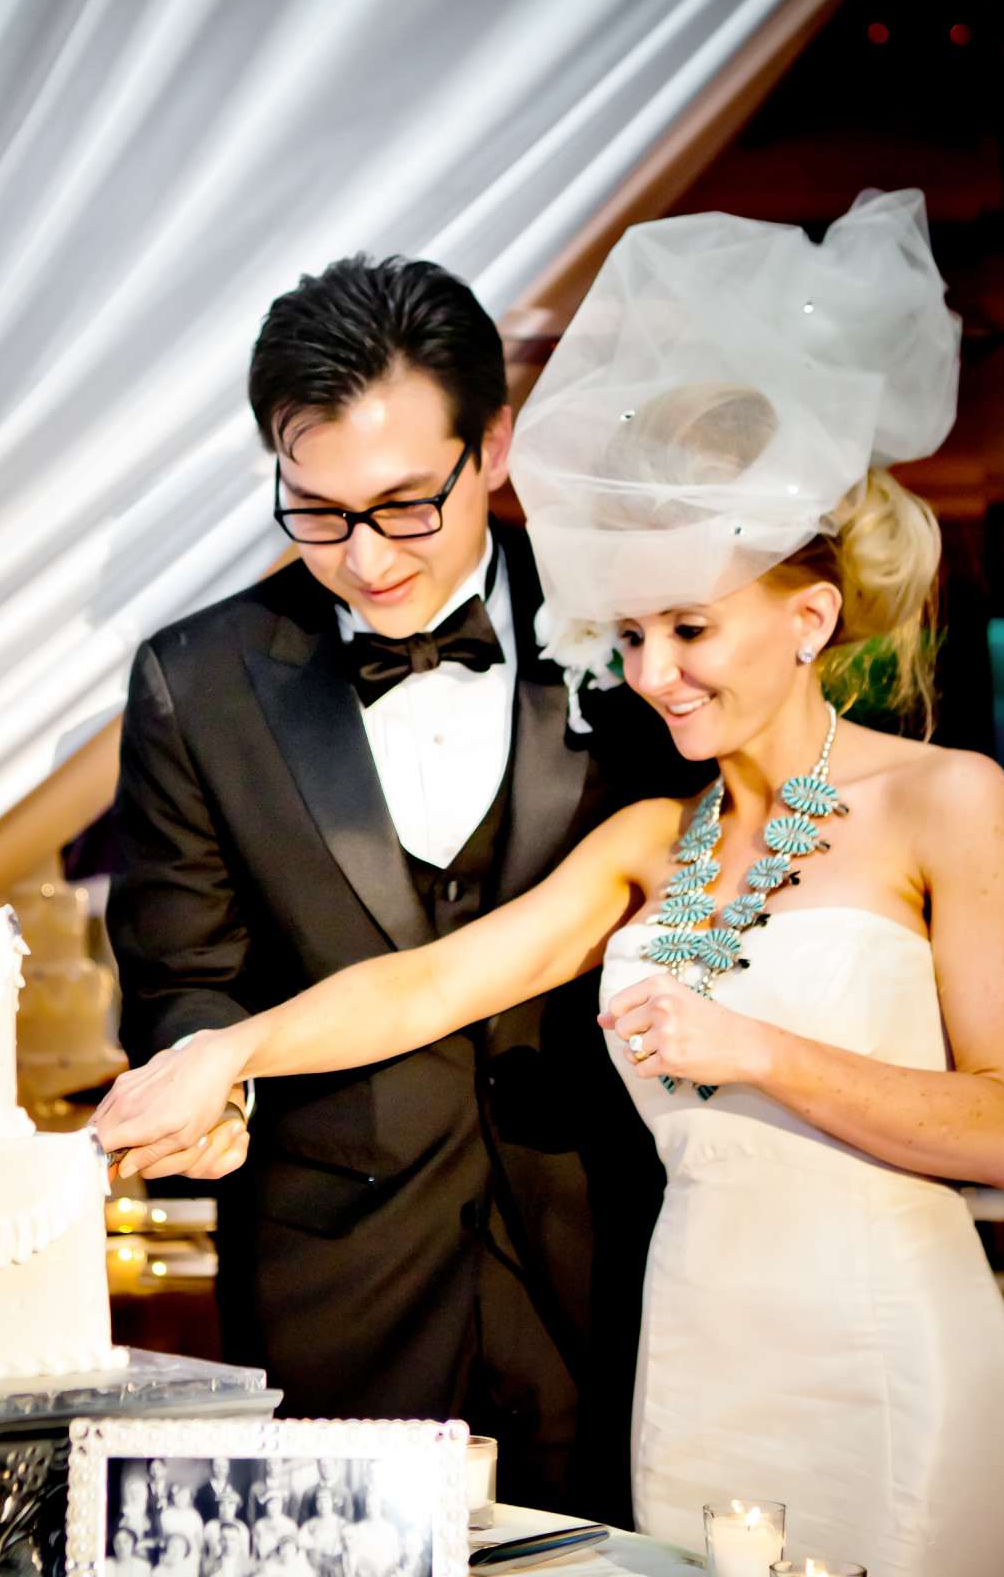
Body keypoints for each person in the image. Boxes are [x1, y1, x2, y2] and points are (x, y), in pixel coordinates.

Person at [95, 192, 1004, 1577]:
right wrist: (218, 1058)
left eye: (688, 632)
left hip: (746, 1315)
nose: (648, 672)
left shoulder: (906, 771)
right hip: (528, 1321)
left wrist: (755, 1048)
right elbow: (425, 978)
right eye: (316, 513)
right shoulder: (652, 833)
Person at [106, 254, 695, 1523]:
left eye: (404, 504)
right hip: (338, 1276)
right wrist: (207, 1084)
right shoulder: (195, 684)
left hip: (614, 1255)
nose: (366, 558)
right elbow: (183, 978)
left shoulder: (640, 632)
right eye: (314, 510)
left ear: (492, 445)